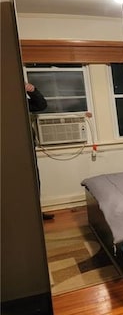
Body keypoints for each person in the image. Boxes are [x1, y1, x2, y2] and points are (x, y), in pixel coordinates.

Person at [26, 82, 55, 220]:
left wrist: (32, 90)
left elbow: (41, 105)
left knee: (33, 181)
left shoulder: (19, 101)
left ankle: (36, 213)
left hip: (28, 146)